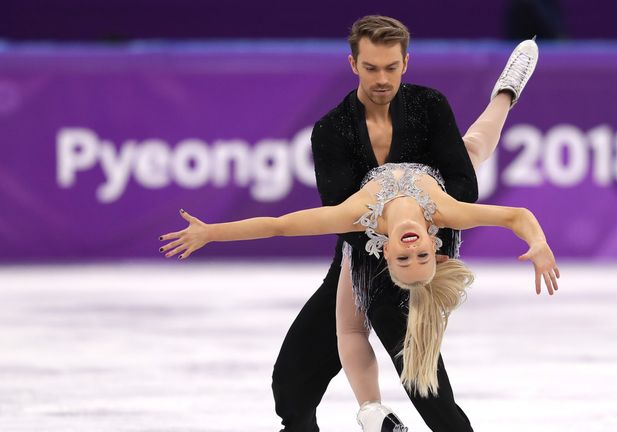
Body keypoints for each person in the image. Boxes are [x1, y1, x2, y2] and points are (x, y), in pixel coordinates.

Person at [159, 15, 544, 432]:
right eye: (372, 67)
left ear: (406, 63)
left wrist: (214, 232)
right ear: (353, 64)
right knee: (291, 383)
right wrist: (210, 232)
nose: (382, 78)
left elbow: (285, 225)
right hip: (364, 238)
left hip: (426, 204)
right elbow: (297, 226)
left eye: (391, 67)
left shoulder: (427, 111)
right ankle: (504, 94)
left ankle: (389, 412)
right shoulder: (332, 132)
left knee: (411, 357)